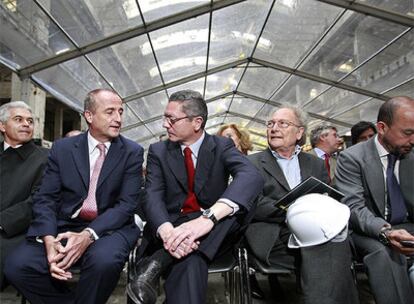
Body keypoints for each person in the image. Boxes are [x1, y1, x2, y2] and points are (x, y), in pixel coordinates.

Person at [4, 89, 144, 304]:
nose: (118, 118)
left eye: (120, 112)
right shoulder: (63, 149)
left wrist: (88, 235)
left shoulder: (131, 151)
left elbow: (126, 204)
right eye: (110, 112)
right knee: (17, 266)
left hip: (109, 228)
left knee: (103, 262)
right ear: (89, 116)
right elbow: (45, 198)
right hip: (64, 225)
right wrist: (49, 240)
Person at [127, 90, 263, 304]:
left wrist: (208, 218)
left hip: (215, 233)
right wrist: (167, 231)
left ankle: (157, 263)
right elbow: (152, 195)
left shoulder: (221, 146)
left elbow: (251, 176)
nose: (164, 124)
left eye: (171, 119)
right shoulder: (158, 150)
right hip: (172, 232)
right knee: (190, 262)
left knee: (236, 208)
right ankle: (167, 254)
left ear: (197, 122)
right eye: (165, 117)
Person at [245, 106, 359, 304]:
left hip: (315, 226)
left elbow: (327, 195)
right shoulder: (251, 163)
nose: (274, 128)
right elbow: (253, 202)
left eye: (283, 123)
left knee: (335, 238)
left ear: (299, 132)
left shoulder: (314, 162)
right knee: (326, 245)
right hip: (274, 232)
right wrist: (297, 211)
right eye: (271, 123)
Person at [335, 96, 414, 304]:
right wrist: (386, 232)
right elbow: (353, 207)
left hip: (408, 225)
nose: (413, 140)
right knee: (385, 253)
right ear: (382, 127)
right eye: (408, 133)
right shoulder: (352, 158)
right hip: (368, 229)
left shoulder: (412, 154)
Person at [0, 101, 49, 290]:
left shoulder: (45, 158)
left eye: (30, 121)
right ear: (2, 126)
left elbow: (38, 200)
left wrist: (3, 221)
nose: (26, 124)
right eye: (18, 119)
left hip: (16, 231)